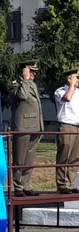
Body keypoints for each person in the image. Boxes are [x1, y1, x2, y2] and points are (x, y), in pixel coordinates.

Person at [9, 59, 43, 196]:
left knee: (29, 158)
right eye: (31, 71)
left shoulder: (32, 84)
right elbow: (22, 96)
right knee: (19, 158)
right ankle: (18, 187)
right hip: (22, 126)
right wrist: (25, 79)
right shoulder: (16, 84)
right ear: (24, 71)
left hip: (35, 126)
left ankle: (26, 184)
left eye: (33, 71)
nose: (33, 74)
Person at [54, 68, 79, 194]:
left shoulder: (78, 92)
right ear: (69, 79)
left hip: (78, 126)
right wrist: (71, 85)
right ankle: (62, 184)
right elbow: (66, 98)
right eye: (76, 77)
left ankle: (71, 183)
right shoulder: (60, 91)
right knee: (64, 156)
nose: (78, 80)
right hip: (66, 126)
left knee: (75, 157)